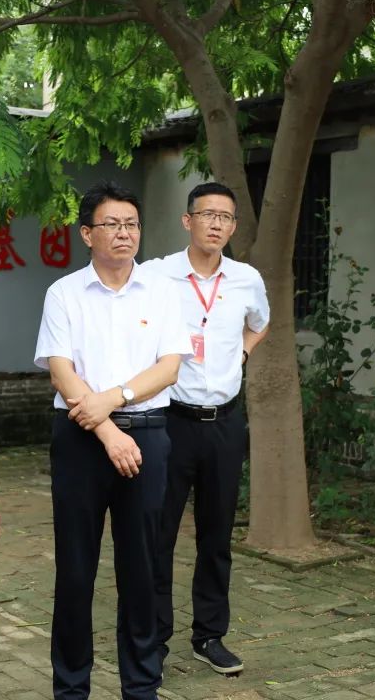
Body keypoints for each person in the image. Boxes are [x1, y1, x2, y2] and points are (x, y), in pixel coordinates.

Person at [34, 181, 193, 700]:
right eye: (112, 224)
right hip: (81, 440)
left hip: (147, 436)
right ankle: (70, 687)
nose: (124, 233)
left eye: (132, 224)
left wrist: (115, 399)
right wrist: (106, 429)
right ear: (87, 234)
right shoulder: (64, 293)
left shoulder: (163, 291)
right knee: (75, 569)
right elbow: (61, 370)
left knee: (142, 567)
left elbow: (169, 367)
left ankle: (141, 685)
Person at [145, 182, 269, 675]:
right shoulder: (156, 275)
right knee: (158, 534)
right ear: (188, 220)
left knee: (216, 536)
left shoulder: (246, 279)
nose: (216, 224)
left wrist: (242, 354)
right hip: (170, 421)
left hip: (225, 422)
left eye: (225, 217)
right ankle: (153, 638)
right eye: (207, 214)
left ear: (233, 227)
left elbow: (260, 323)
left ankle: (209, 635)